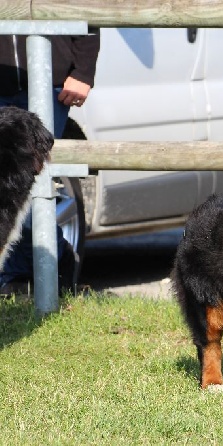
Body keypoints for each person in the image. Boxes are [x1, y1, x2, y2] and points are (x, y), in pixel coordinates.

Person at [0, 30, 100, 295]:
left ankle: (46, 271)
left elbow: (85, 11)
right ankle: (20, 278)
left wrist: (83, 71)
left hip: (51, 81)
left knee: (29, 189)